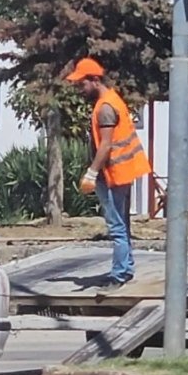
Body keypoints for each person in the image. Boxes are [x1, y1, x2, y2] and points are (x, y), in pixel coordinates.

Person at [65, 56, 152, 287]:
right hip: (124, 171)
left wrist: (92, 172)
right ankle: (126, 267)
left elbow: (106, 145)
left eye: (82, 84)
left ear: (94, 80)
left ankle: (120, 273)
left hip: (113, 174)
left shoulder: (104, 108)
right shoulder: (113, 99)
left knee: (116, 227)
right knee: (122, 224)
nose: (79, 90)